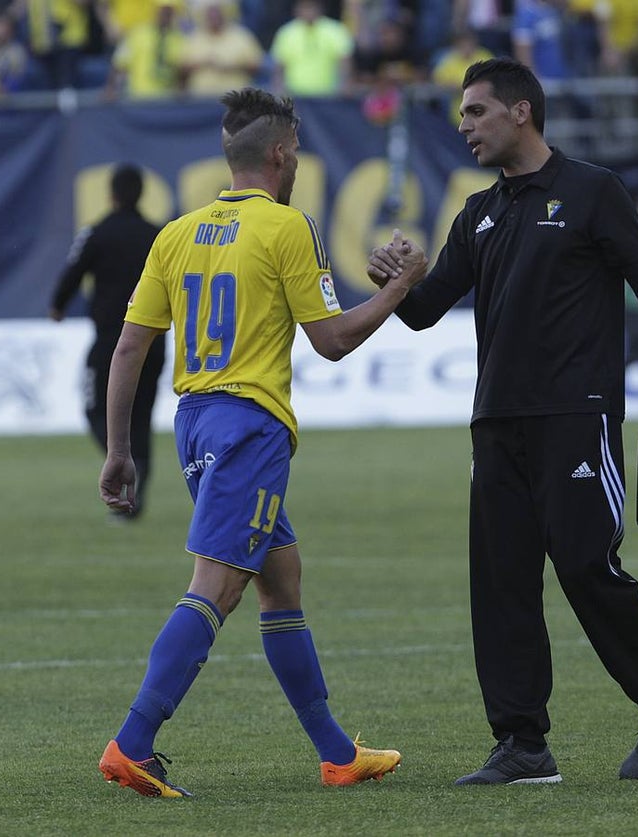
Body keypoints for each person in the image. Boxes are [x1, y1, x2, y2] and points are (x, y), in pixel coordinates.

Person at [367, 57, 638, 785]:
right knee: (501, 582)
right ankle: (523, 745)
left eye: (476, 113)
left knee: (587, 566)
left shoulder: (592, 191)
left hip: (575, 417)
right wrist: (398, 280)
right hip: (496, 422)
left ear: (521, 112)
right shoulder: (479, 212)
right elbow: (426, 313)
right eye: (461, 116)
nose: (464, 128)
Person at [95, 87, 428, 797]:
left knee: (281, 578)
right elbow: (332, 340)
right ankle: (133, 741)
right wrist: (399, 288)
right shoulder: (287, 227)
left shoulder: (176, 233)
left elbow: (128, 349)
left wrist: (118, 449)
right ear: (281, 155)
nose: (299, 162)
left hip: (194, 423)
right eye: (299, 152)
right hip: (251, 426)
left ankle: (337, 752)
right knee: (216, 587)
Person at [49, 164, 164, 520]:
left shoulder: (97, 233)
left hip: (112, 343)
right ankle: (136, 476)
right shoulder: (157, 235)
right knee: (141, 414)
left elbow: (73, 271)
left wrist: (58, 306)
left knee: (94, 407)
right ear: (142, 194)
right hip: (155, 340)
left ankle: (121, 461)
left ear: (111, 194)